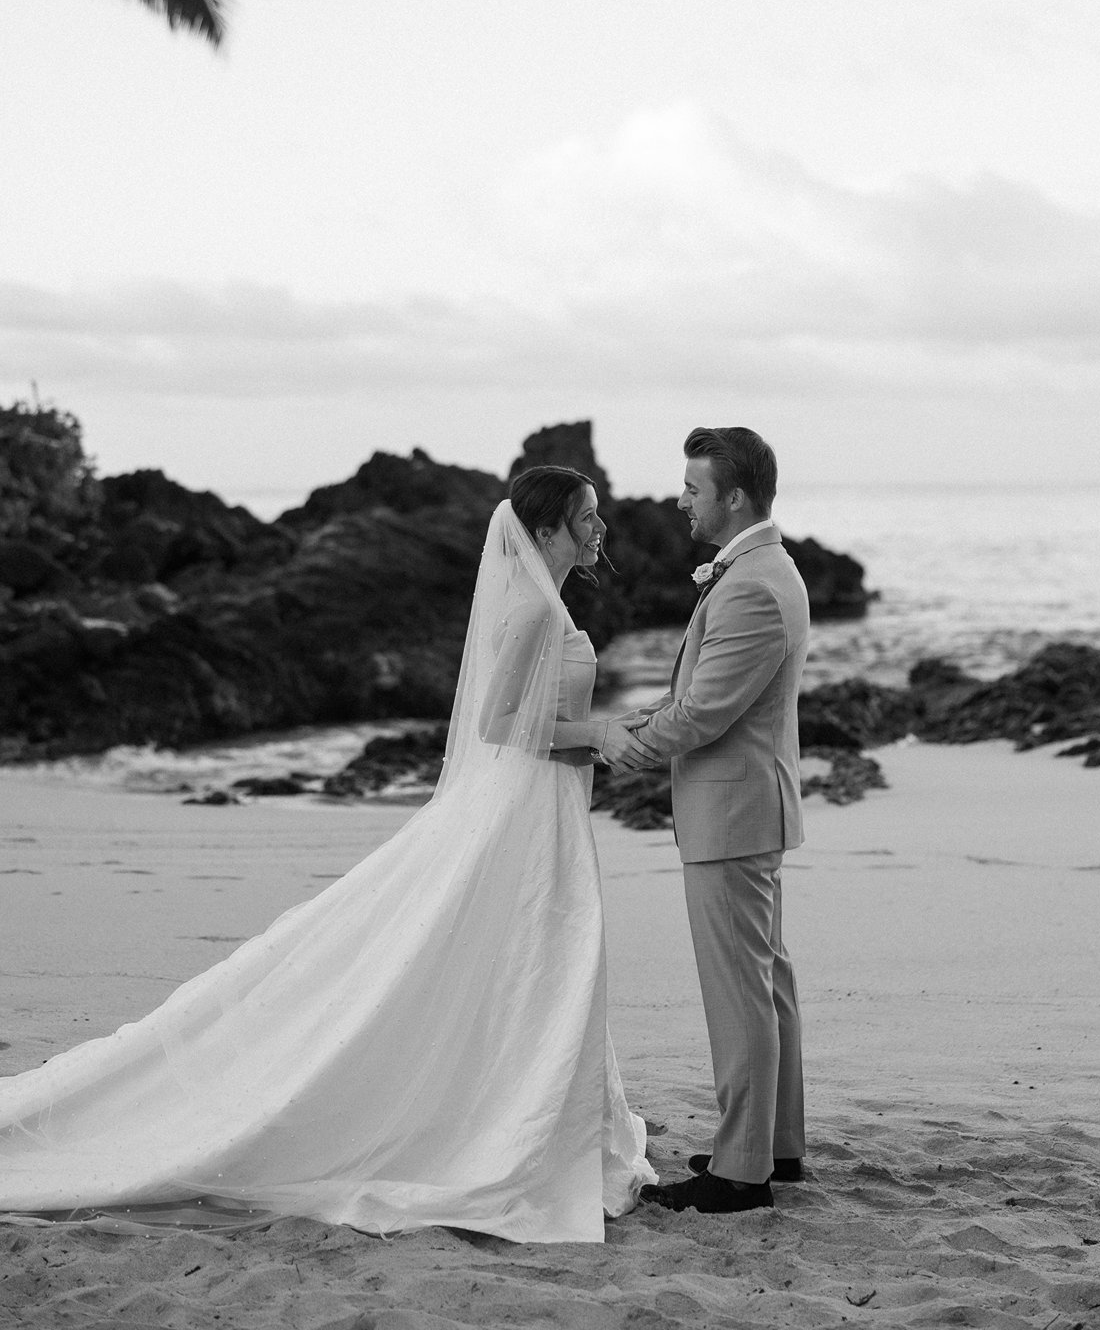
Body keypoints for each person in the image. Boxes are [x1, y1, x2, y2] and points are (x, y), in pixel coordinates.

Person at [0, 467, 655, 1242]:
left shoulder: (543, 602)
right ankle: (514, 1121)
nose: (599, 530)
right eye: (587, 517)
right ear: (546, 530)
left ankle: (534, 1112)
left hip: (543, 803)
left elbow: (542, 718)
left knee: (530, 962)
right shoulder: (534, 611)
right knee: (529, 960)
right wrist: (598, 733)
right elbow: (498, 724)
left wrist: (614, 730)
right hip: (526, 812)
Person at [607, 426, 809, 1215]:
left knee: (740, 994)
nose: (681, 500)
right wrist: (634, 722)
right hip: (747, 808)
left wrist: (616, 748)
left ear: (736, 498)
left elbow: (702, 714)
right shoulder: (760, 569)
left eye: (694, 489)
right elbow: (697, 697)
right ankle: (774, 1147)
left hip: (732, 813)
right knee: (765, 983)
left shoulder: (753, 585)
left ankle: (742, 1172)